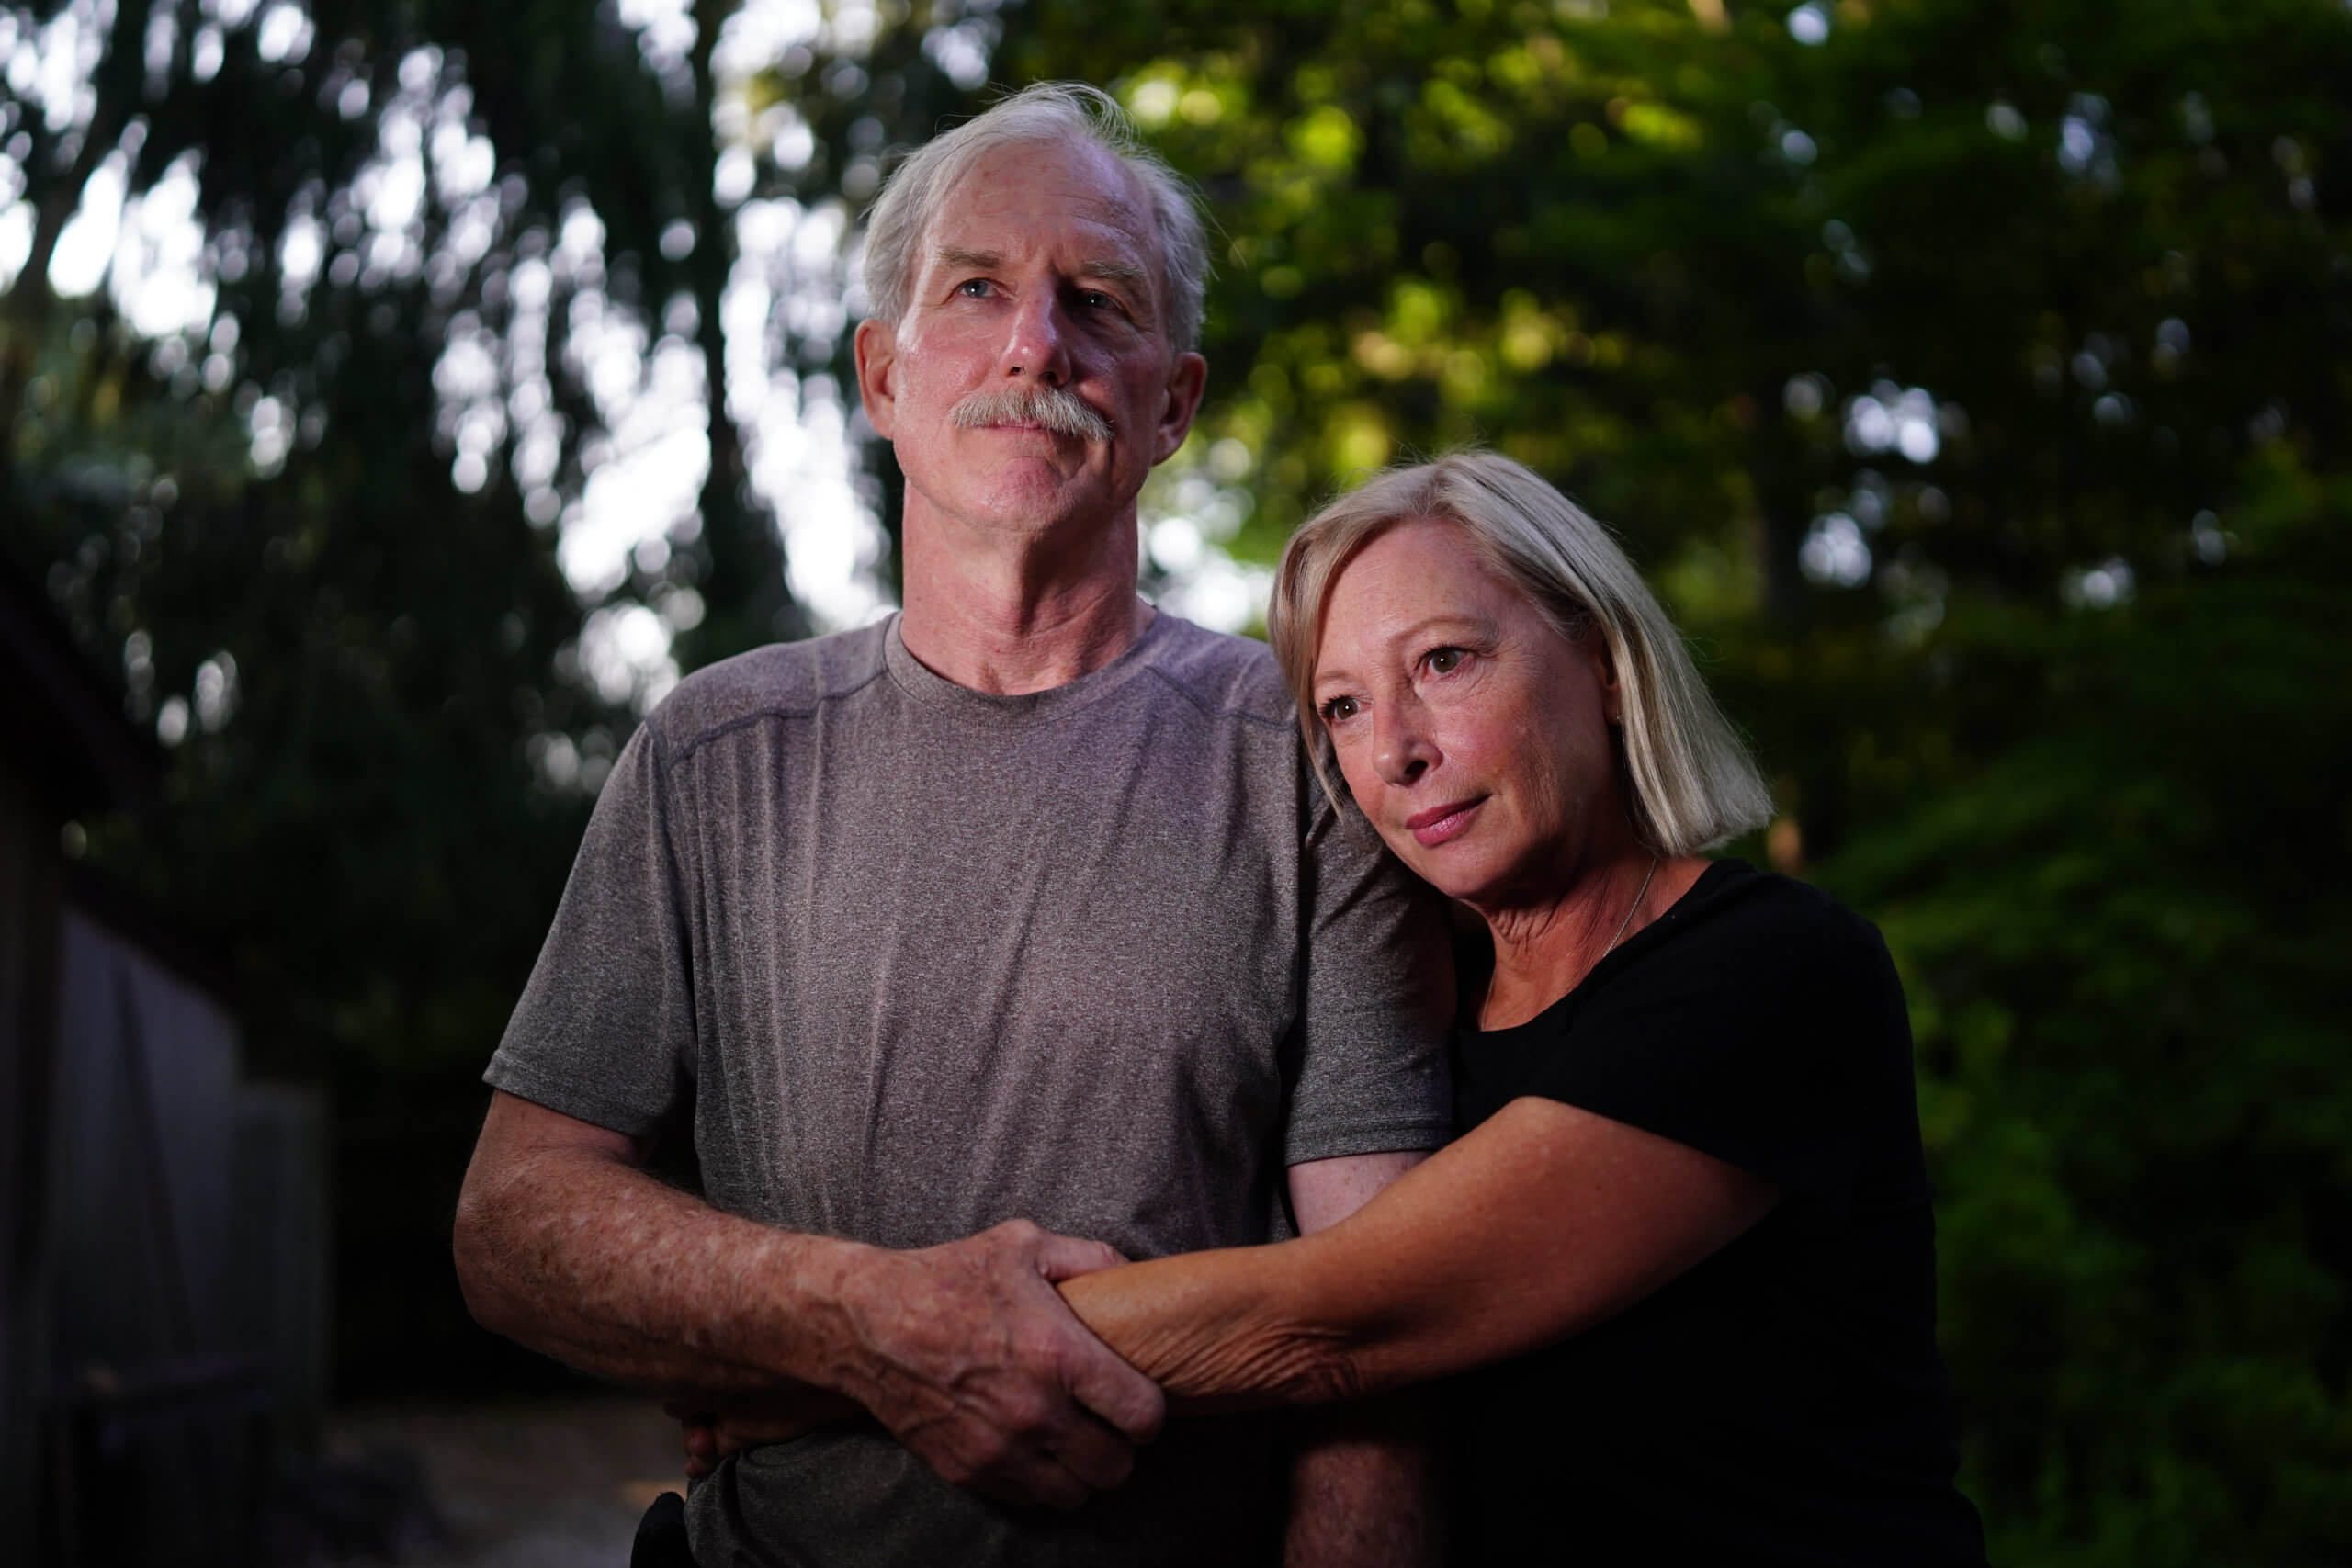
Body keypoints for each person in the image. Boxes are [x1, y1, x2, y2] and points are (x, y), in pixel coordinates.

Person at [450, 85, 1454, 1567]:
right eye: (977, 288)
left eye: (1098, 302)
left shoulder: (1309, 765)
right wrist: (859, 1321)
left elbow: (1384, 1330)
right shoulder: (715, 752)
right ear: (883, 375)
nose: (1036, 344)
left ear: (1174, 401)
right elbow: (510, 1226)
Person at [1038, 452, 1991, 1563]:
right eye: (1342, 708)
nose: (1393, 752)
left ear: (1603, 664)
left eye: (1443, 662)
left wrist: (874, 1343)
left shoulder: (1771, 972)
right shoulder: (1410, 1033)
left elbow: (1333, 1320)